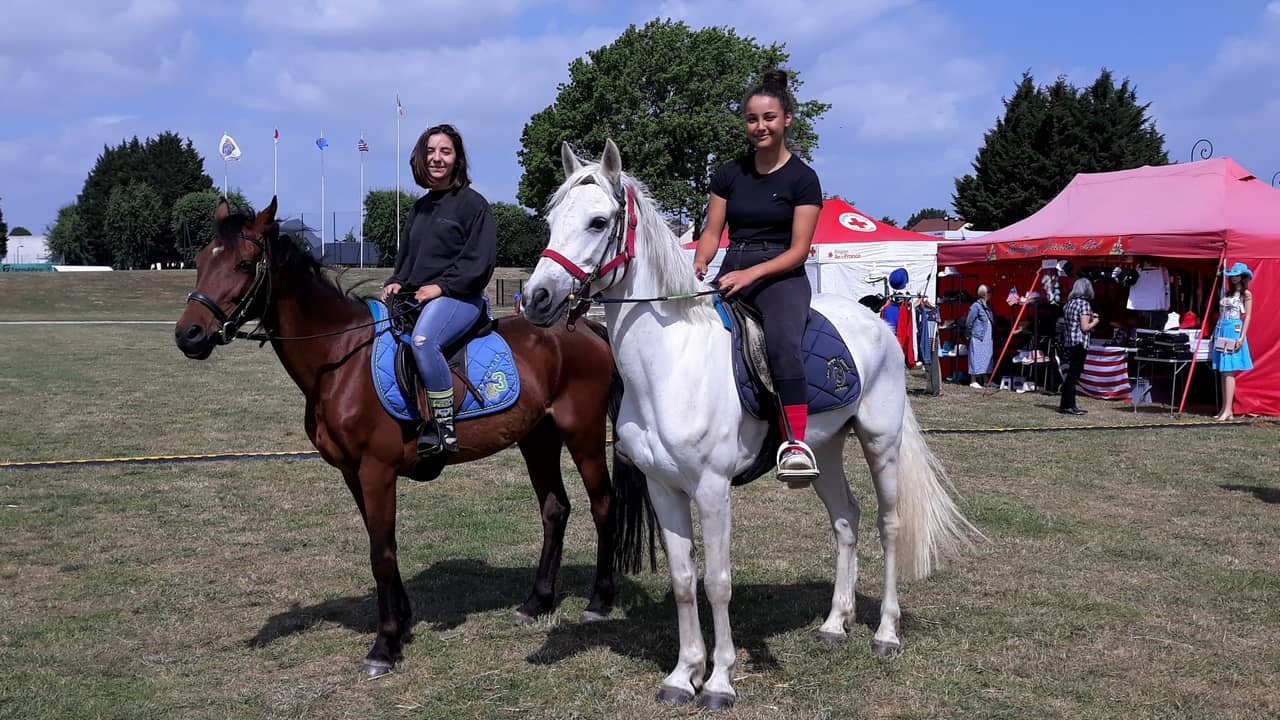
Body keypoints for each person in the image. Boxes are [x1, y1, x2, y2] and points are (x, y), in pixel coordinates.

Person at [692, 69, 823, 483]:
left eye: (768, 118)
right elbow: (712, 232)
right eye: (752, 119)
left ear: (787, 119)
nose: (759, 126)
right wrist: (698, 264)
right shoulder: (729, 173)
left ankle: (795, 443)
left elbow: (799, 249)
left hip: (781, 276)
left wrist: (753, 274)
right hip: (733, 269)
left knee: (783, 344)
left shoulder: (803, 179)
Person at [381, 124, 497, 457]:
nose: (437, 158)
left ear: (457, 158)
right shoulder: (419, 208)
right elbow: (408, 261)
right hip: (419, 298)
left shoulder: (474, 206)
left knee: (423, 341)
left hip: (461, 298)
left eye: (445, 151)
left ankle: (443, 428)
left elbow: (480, 263)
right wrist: (397, 281)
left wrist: (441, 287)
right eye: (431, 151)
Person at [1212, 262, 1254, 421]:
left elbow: (1248, 316)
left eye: (1237, 275)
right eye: (1233, 275)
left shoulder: (1246, 294)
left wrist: (1242, 336)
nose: (1235, 278)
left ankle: (1229, 408)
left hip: (1234, 329)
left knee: (1229, 369)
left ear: (1243, 277)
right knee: (1223, 370)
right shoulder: (1226, 292)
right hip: (1222, 328)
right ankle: (1225, 407)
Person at [1058, 278, 1099, 415]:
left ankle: (1069, 404)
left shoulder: (1069, 304)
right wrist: (1096, 321)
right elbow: (1085, 326)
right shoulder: (1084, 304)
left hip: (1070, 341)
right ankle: (1067, 405)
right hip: (1080, 342)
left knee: (1071, 374)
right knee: (1073, 375)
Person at [965, 285, 994, 388]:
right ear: (984, 294)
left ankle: (986, 380)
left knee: (986, 357)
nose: (991, 294)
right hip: (978, 336)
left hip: (986, 338)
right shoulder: (975, 306)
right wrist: (968, 334)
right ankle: (973, 380)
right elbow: (969, 321)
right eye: (989, 292)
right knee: (975, 357)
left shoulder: (988, 307)